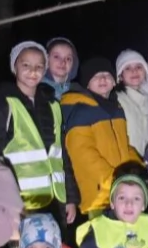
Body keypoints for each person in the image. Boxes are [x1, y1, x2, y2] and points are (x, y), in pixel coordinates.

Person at [0, 41, 67, 219]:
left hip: (54, 201)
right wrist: (3, 200)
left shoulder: (52, 104)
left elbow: (62, 155)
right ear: (14, 67)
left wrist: (69, 199)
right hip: (19, 203)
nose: (33, 71)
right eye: (26, 65)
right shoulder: (2, 103)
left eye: (39, 66)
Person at [61, 57, 143, 219]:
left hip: (123, 191)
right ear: (87, 84)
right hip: (100, 195)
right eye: (96, 76)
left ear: (114, 81)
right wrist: (112, 180)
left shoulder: (116, 109)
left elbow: (125, 146)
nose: (103, 79)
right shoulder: (81, 111)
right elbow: (82, 153)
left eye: (107, 75)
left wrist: (140, 169)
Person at [113, 49, 148, 155]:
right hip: (128, 163)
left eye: (139, 67)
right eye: (128, 68)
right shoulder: (117, 100)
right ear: (120, 76)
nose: (134, 71)